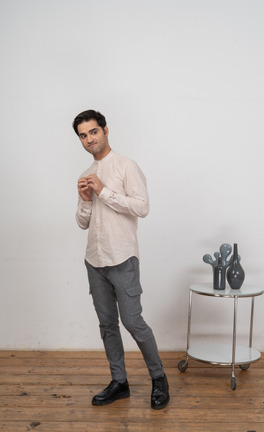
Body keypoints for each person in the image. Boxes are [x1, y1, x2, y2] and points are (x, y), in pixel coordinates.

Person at [73, 109, 169, 410]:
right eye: (83, 135)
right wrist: (86, 200)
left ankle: (159, 379)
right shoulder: (86, 174)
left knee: (133, 322)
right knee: (107, 326)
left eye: (93, 132)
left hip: (122, 258)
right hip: (95, 260)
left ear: (105, 131)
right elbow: (82, 222)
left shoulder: (127, 166)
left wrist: (104, 192)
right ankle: (120, 382)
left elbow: (142, 207)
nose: (89, 139)